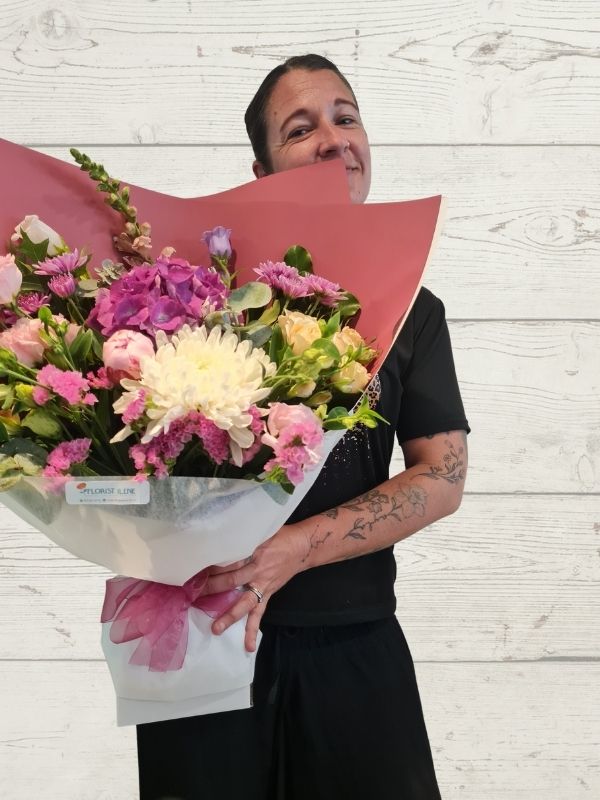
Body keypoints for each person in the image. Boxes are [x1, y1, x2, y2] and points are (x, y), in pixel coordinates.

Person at [137, 54, 471, 799]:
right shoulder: (192, 298)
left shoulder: (413, 310)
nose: (333, 138)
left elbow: (442, 479)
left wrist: (292, 550)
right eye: (300, 129)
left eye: (345, 118)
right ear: (261, 173)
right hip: (204, 637)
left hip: (352, 647)